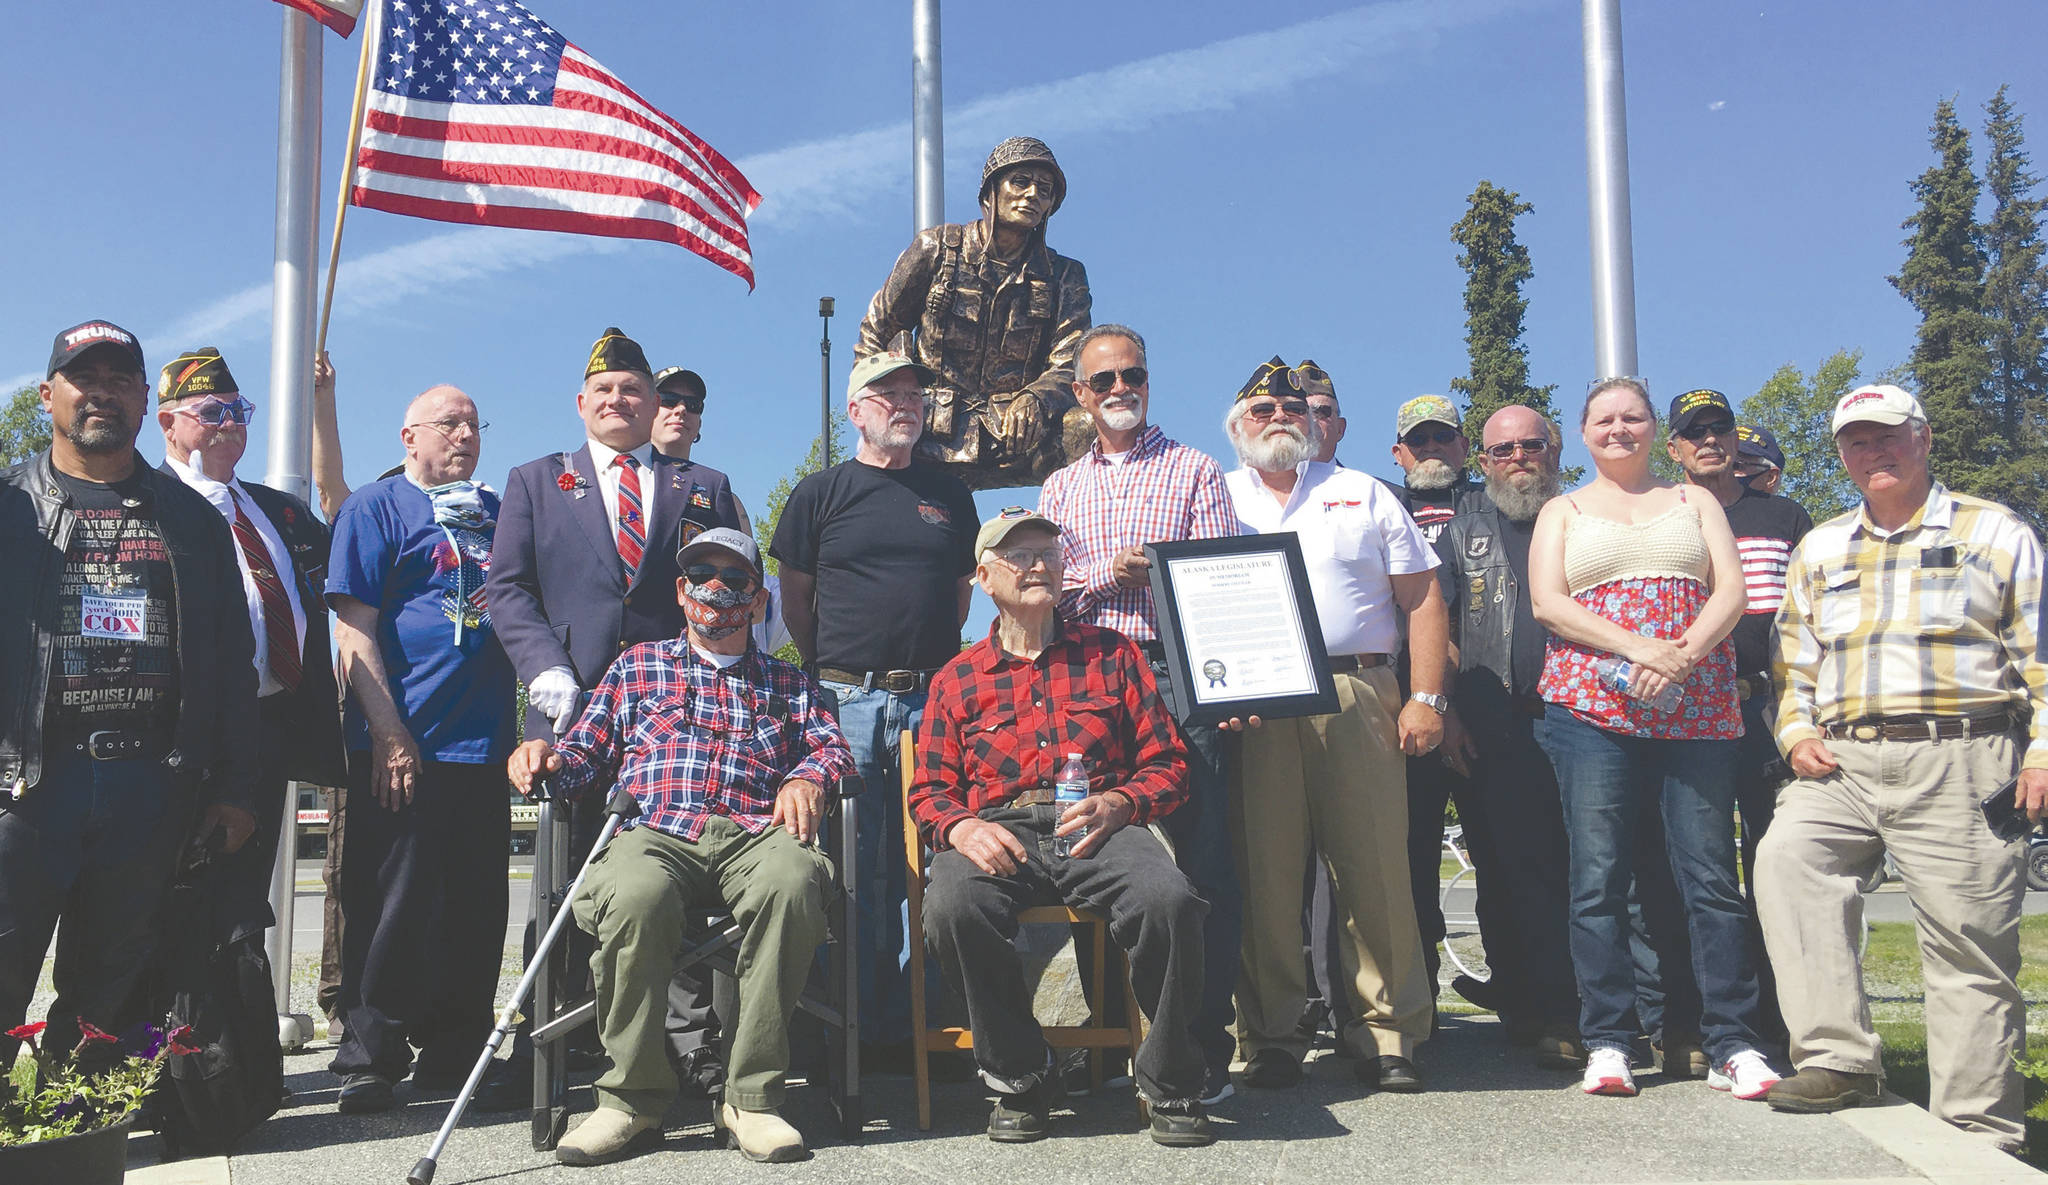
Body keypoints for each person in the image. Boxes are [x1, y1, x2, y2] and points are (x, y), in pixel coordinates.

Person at [508, 528, 856, 1166]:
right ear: (680, 591)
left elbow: (833, 750)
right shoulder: (636, 665)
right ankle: (629, 1102)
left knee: (793, 884)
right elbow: (584, 753)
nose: (716, 590)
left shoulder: (791, 683)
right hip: (657, 831)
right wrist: (546, 755)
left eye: (734, 580)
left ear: (757, 601)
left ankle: (751, 1098)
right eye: (702, 576)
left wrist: (809, 775)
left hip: (757, 834)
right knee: (635, 895)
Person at [1757, 384, 2047, 1150]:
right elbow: (1793, 661)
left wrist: (2043, 750)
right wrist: (1793, 734)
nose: (1872, 452)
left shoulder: (1996, 531)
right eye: (1856, 441)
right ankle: (1839, 1057)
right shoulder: (1819, 547)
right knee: (1788, 858)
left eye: (1888, 436)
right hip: (1842, 760)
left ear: (1923, 439)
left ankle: (1980, 1126)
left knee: (1967, 940)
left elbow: (2039, 656)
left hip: (1965, 752)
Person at [486, 329, 739, 1101]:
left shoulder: (704, 485)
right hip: (571, 707)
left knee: (674, 881)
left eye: (632, 389)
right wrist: (543, 668)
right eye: (604, 391)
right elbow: (506, 589)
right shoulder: (536, 480)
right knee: (563, 884)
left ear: (654, 402)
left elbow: (729, 586)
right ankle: (551, 1042)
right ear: (581, 403)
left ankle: (687, 1044)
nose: (618, 401)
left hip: (677, 723)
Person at [910, 508, 1214, 1146]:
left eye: (1047, 551)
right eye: (1018, 555)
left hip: (1098, 820)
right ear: (985, 578)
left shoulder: (1114, 655)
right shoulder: (955, 679)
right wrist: (961, 828)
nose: (1038, 564)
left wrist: (1123, 804)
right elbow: (930, 793)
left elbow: (1170, 765)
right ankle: (1021, 1077)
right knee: (953, 905)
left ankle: (1169, 1079)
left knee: (1169, 899)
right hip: (999, 827)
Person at [0, 320, 259, 1060]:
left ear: (146, 401)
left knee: (106, 1003)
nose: (101, 393)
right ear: (49, 394)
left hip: (150, 790)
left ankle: (74, 1141)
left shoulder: (195, 523)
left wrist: (235, 787)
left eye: (120, 380)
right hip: (25, 788)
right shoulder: (7, 510)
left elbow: (233, 665)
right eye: (85, 378)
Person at [1528, 376, 1774, 1100]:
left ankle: (1733, 1039)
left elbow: (1732, 590)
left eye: (1632, 416)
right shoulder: (1562, 509)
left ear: (1652, 432)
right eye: (1603, 418)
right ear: (1583, 433)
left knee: (1710, 878)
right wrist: (1640, 648)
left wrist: (1683, 655)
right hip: (1591, 709)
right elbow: (1549, 602)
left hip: (1694, 706)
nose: (1618, 429)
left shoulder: (1693, 501)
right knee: (1598, 878)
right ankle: (1610, 1036)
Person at [1220, 374, 1447, 1092]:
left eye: (1292, 406)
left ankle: (1388, 1030)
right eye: (1264, 407)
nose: (1280, 416)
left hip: (1358, 685)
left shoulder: (1365, 492)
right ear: (1238, 423)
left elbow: (1422, 596)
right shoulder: (1216, 494)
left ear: (1316, 422)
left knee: (1375, 864)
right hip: (1256, 697)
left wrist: (1425, 696)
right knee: (1265, 870)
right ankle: (1273, 1032)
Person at [1036, 323, 1243, 1102]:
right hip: (1089, 685)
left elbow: (1219, 579)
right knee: (1095, 855)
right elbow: (1053, 592)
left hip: (1174, 675)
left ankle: (1198, 1045)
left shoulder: (1193, 470)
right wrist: (1103, 579)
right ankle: (1108, 1043)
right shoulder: (1061, 487)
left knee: (1199, 864)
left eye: (1135, 376)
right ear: (1082, 394)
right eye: (1106, 380)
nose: (1122, 389)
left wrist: (1154, 568)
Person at [768, 350, 978, 1070]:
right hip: (844, 700)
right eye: (886, 392)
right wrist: (830, 671)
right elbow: (793, 597)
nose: (904, 402)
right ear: (855, 409)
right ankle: (852, 1026)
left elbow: (958, 595)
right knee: (853, 865)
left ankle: (917, 1022)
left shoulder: (949, 494)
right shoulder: (819, 493)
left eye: (915, 391)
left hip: (932, 701)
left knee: (930, 859)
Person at [324, 383, 517, 1113]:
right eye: (449, 422)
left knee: (475, 905)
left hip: (483, 744)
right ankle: (372, 1051)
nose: (465, 433)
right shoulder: (375, 508)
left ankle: (455, 1049)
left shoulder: (497, 515)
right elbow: (354, 630)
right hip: (402, 742)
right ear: (409, 436)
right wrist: (388, 732)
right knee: (391, 900)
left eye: (474, 421)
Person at [155, 347, 347, 943]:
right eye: (213, 411)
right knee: (175, 898)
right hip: (182, 735)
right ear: (168, 422)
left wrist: (322, 406)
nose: (232, 423)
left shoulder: (274, 510)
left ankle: (230, 1032)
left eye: (240, 410)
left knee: (242, 903)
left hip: (266, 729)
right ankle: (164, 1031)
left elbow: (340, 522)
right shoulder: (151, 505)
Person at [1432, 408, 1584, 1068]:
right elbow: (1438, 624)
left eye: (1531, 445)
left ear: (1555, 450)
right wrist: (1448, 714)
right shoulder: (1462, 529)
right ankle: (1528, 1005)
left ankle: (1587, 1007)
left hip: (1581, 720)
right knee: (1506, 869)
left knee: (1589, 869)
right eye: (1503, 449)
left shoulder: (1584, 518)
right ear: (1483, 460)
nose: (1518, 457)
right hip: (1493, 723)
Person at [1663, 389, 1811, 1047]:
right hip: (1689, 708)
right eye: (1695, 432)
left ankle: (1782, 1017)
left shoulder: (1781, 515)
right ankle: (1697, 1013)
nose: (1710, 441)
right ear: (1675, 448)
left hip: (1765, 705)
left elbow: (1813, 615)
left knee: (1775, 863)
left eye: (1719, 428)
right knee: (1697, 868)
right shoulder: (1664, 515)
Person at [857, 136, 1092, 488]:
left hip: (1016, 432)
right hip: (931, 428)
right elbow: (876, 331)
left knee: (1085, 425)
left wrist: (1036, 399)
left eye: (1044, 190)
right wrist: (880, 404)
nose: (1033, 195)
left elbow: (1071, 362)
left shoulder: (1064, 276)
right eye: (1021, 182)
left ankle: (1076, 534)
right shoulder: (935, 249)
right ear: (990, 193)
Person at [1376, 393, 1492, 1013]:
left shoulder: (1493, 504)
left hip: (1491, 698)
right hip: (1410, 702)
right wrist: (1435, 705)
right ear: (1398, 452)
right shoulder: (1379, 507)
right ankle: (1418, 992)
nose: (1430, 451)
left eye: (1442, 439)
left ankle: (1523, 990)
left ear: (1463, 447)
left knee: (1502, 851)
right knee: (1412, 852)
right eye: (1417, 441)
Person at [651, 364, 788, 654]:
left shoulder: (717, 490)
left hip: (691, 649)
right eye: (668, 400)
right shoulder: (615, 482)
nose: (681, 410)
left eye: (693, 405)